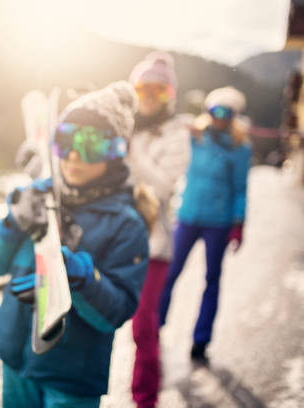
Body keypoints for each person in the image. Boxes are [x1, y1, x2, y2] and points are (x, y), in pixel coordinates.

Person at [0, 82, 153, 407]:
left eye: (91, 145)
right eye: (67, 140)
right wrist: (11, 223)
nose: (74, 155)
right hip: (17, 356)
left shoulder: (125, 225)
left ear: (116, 151)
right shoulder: (37, 196)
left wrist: (79, 277)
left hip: (72, 375)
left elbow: (115, 312)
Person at [158, 86, 251, 364]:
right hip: (187, 215)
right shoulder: (194, 136)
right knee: (169, 272)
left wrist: (239, 222)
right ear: (208, 111)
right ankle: (155, 324)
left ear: (234, 115)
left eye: (225, 112)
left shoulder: (239, 146)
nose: (219, 117)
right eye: (214, 111)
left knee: (211, 279)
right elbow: (167, 134)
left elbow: (240, 188)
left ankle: (201, 339)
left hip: (218, 221)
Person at [126, 52, 191, 408]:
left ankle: (145, 398)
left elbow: (163, 187)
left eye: (158, 90)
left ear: (169, 94)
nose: (149, 97)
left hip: (154, 243)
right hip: (113, 236)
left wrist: (132, 152)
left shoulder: (177, 134)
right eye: (142, 89)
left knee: (143, 325)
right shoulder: (123, 125)